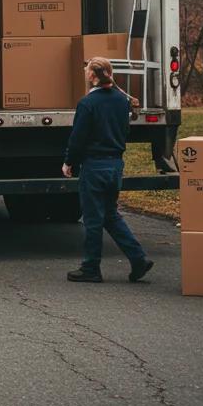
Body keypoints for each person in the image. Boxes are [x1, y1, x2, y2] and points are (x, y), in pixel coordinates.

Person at [62, 56, 153, 283]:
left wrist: (69, 161)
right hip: (115, 165)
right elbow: (125, 131)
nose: (85, 74)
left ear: (93, 76)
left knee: (93, 219)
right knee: (110, 215)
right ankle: (138, 258)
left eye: (86, 71)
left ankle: (91, 268)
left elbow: (78, 138)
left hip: (94, 166)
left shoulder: (87, 104)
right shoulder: (122, 101)